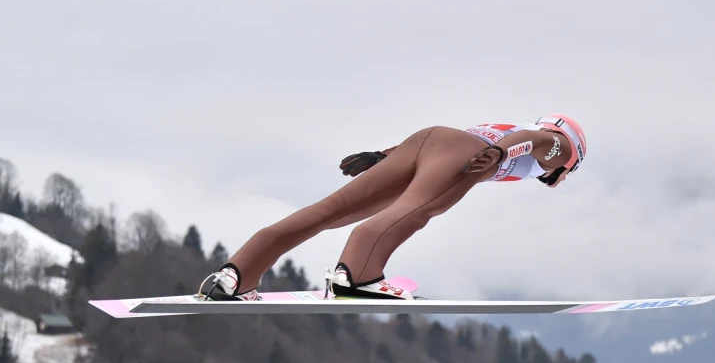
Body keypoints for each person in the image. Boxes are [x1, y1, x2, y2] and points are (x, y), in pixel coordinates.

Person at [198, 115, 586, 301]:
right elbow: (533, 139)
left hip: (425, 141)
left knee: (330, 210)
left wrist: (382, 156)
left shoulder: (504, 124)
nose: (563, 176)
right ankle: (357, 276)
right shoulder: (561, 149)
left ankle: (237, 274)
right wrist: (500, 152)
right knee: (416, 209)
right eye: (570, 172)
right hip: (465, 155)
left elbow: (447, 140)